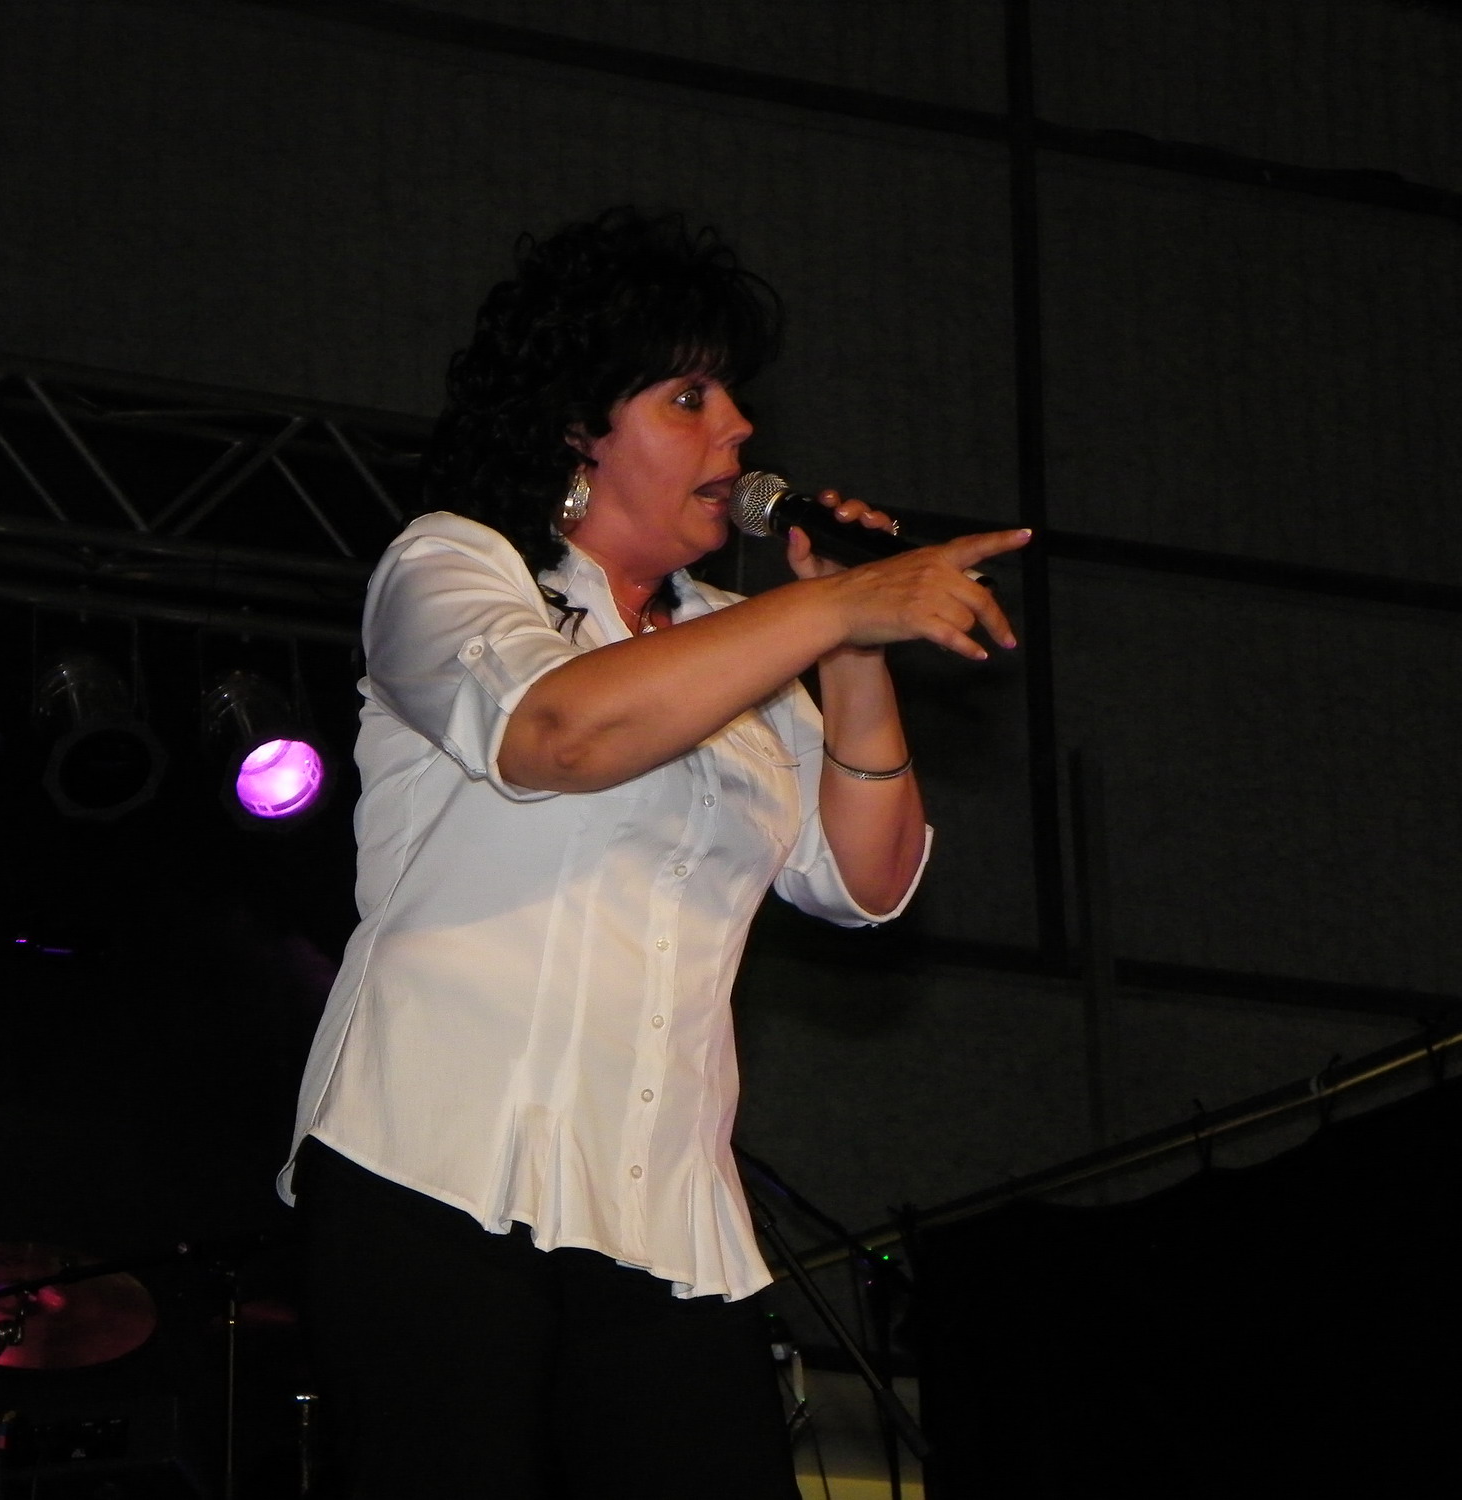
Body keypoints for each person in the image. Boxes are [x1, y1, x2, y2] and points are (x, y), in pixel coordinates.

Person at [279, 208, 1027, 1498]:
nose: (738, 427)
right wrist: (826, 607)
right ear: (579, 430)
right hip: (434, 1169)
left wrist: (852, 648)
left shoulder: (751, 639)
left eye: (733, 397)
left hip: (662, 1211)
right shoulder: (455, 566)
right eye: (690, 397)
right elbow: (556, 733)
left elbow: (865, 881)